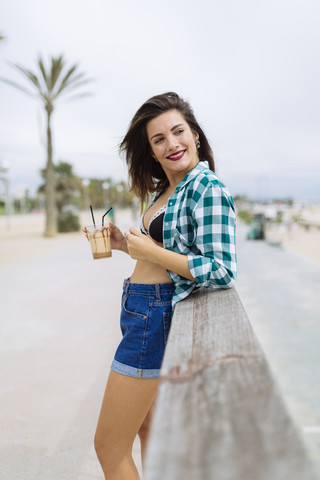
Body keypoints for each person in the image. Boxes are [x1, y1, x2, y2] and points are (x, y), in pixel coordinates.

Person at [85, 92, 237, 479]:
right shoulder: (164, 190)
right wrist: (124, 245)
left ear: (195, 136)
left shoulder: (206, 187)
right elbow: (161, 254)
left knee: (108, 447)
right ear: (151, 152)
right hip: (141, 309)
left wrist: (150, 249)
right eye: (159, 139)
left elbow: (222, 268)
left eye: (178, 131)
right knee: (147, 430)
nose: (172, 144)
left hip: (154, 317)